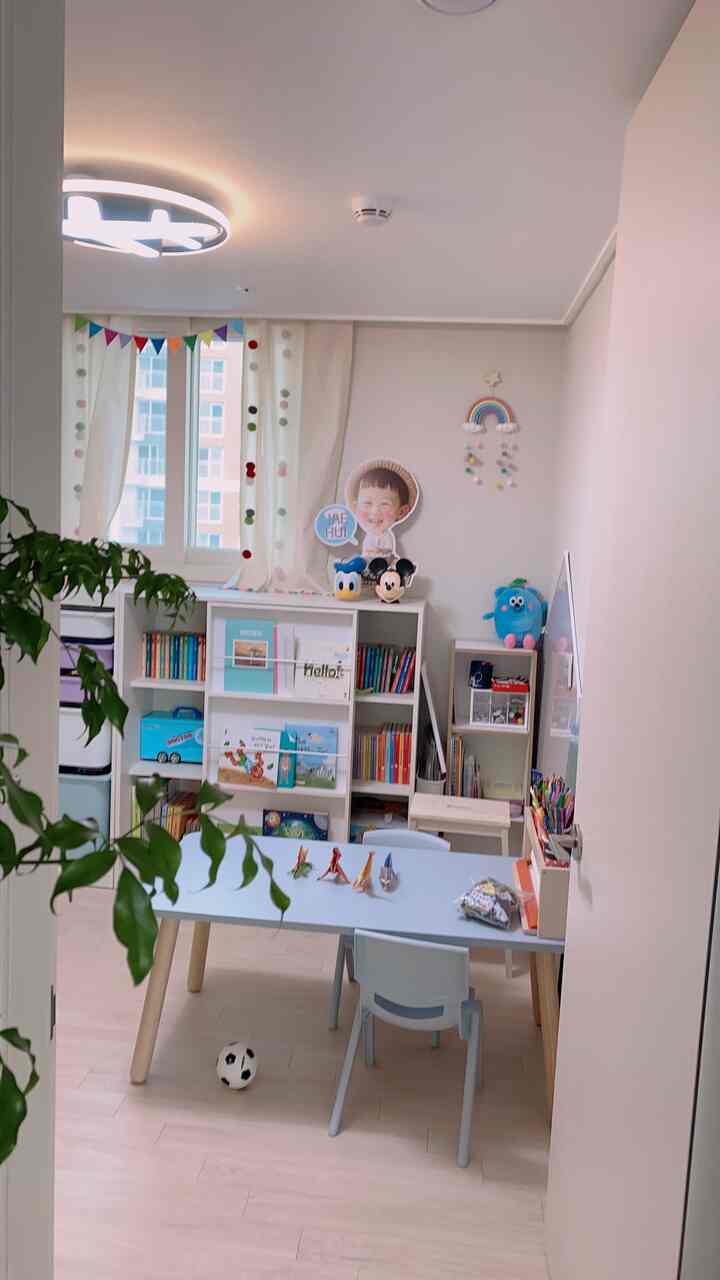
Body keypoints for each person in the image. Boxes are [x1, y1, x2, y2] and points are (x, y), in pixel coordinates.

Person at [345, 459, 418, 562]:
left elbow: (386, 553)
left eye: (384, 504)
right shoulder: (367, 537)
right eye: (367, 503)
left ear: (401, 512)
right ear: (356, 507)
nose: (374, 511)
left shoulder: (385, 537)